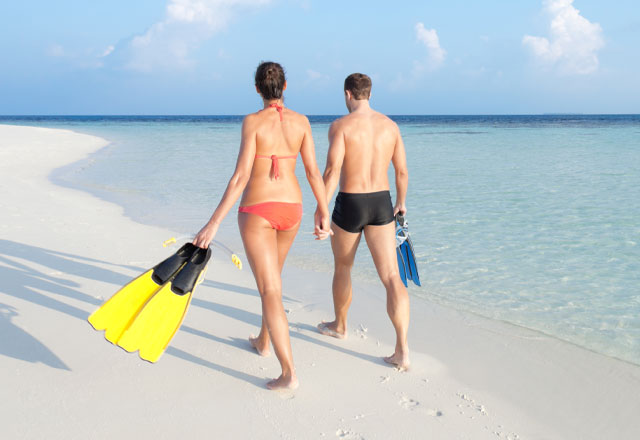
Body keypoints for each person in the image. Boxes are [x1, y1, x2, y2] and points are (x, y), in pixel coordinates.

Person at [193, 61, 332, 390]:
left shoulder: (252, 122)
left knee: (270, 289)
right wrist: (324, 211)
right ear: (285, 87)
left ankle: (288, 373)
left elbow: (241, 177)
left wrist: (213, 224)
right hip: (292, 210)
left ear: (257, 89)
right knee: (274, 283)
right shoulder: (302, 122)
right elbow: (314, 172)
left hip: (258, 210)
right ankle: (263, 341)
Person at [316, 73, 411, 370]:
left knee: (343, 267)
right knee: (392, 277)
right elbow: (402, 172)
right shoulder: (390, 127)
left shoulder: (341, 126)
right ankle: (402, 349)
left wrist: (321, 208)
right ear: (369, 94)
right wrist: (401, 203)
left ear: (348, 94)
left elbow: (332, 171)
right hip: (382, 203)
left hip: (351, 202)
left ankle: (340, 326)